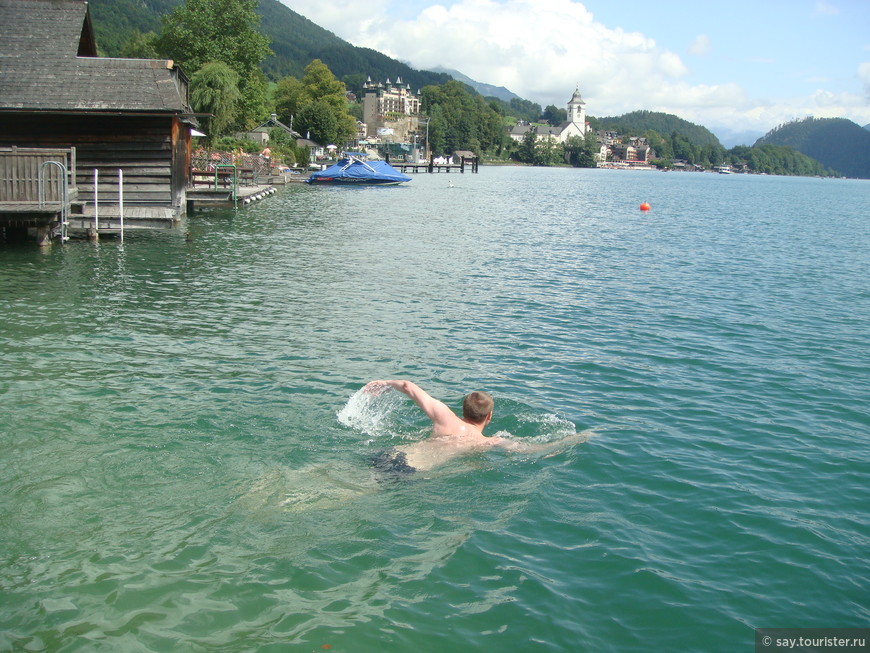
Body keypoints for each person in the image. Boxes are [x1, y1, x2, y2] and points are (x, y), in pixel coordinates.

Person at [363, 379, 589, 473]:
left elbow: (407, 386)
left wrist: (382, 384)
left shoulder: (445, 419)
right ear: (489, 416)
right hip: (407, 471)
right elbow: (533, 450)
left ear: (463, 409)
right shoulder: (488, 442)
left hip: (390, 454)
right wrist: (573, 440)